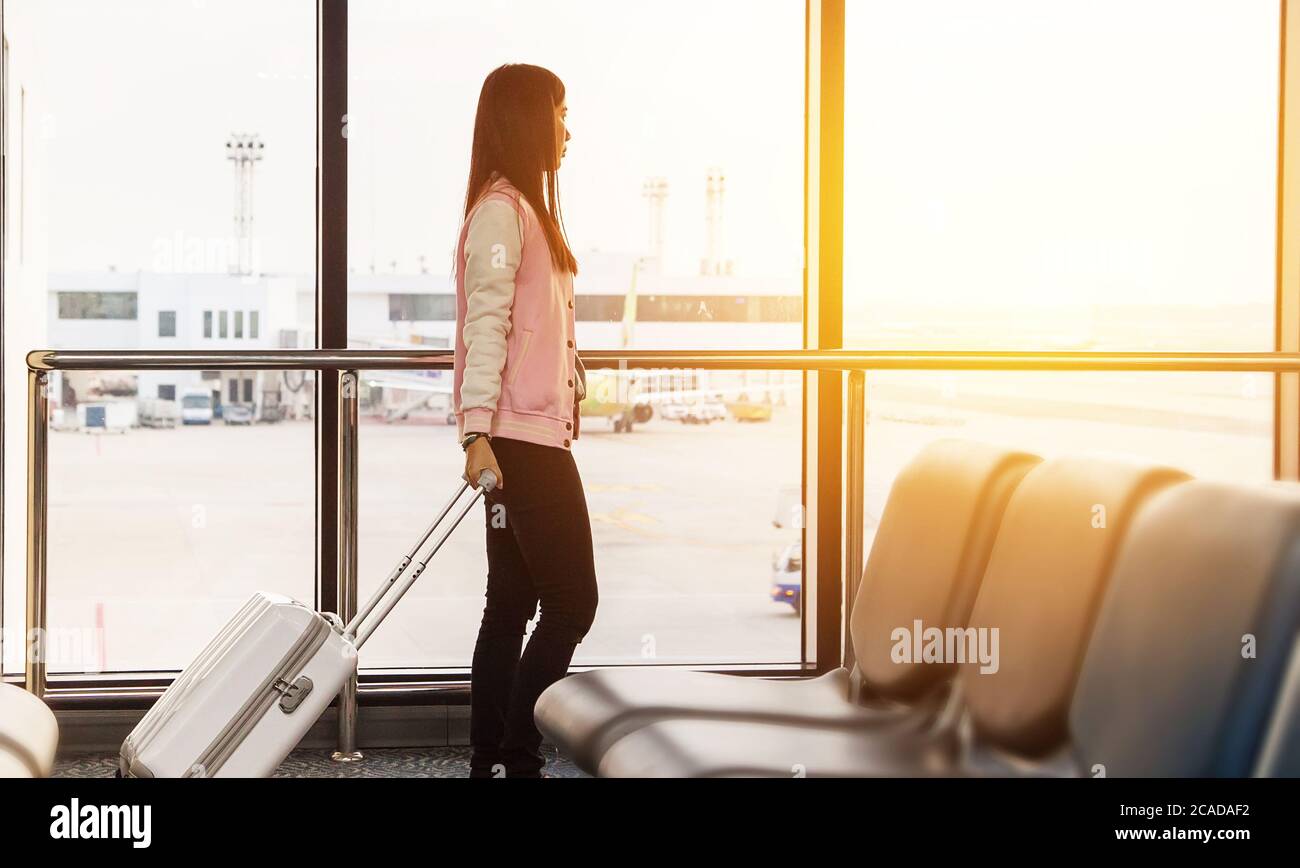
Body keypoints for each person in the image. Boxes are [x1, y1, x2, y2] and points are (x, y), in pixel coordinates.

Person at [452, 63, 598, 778]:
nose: (567, 128)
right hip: (520, 442)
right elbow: (486, 326)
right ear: (527, 119)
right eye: (559, 113)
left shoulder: (522, 209)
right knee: (573, 602)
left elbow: (531, 329)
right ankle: (517, 753)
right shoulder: (503, 213)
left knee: (510, 604)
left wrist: (568, 377)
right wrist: (476, 430)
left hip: (526, 431)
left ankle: (492, 761)